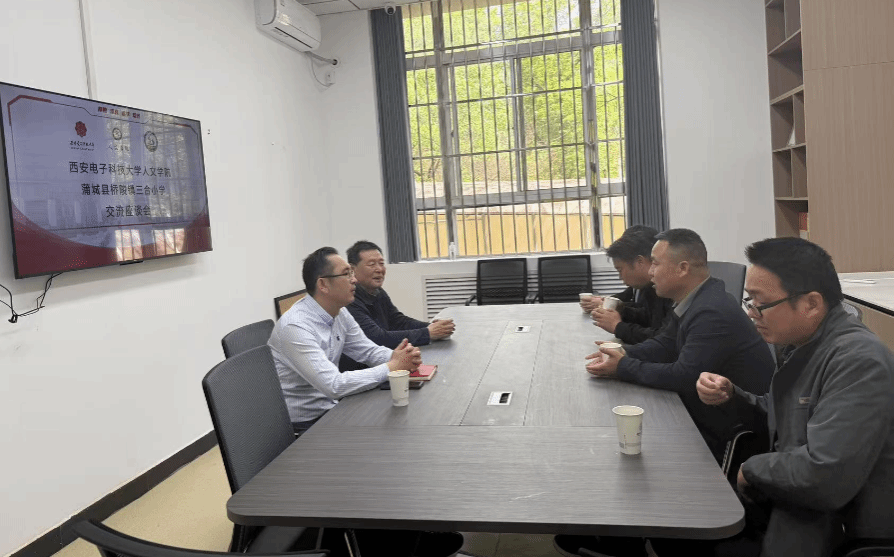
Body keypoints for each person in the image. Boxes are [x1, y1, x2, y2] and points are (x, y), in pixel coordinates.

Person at [692, 237, 894, 556]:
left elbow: (824, 475)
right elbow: (786, 418)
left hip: (832, 532)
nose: (752, 313)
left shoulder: (858, 361)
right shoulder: (802, 345)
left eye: (760, 303)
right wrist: (732, 396)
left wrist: (752, 469)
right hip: (792, 507)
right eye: (749, 301)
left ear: (811, 304)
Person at [585, 228, 775, 461]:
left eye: (655, 264)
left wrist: (622, 366)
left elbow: (684, 376)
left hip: (730, 434)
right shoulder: (694, 300)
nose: (650, 271)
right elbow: (664, 345)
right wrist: (619, 352)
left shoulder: (711, 311)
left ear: (682, 268)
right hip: (705, 416)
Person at [268, 247, 423, 433]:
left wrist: (400, 357)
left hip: (333, 408)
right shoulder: (295, 327)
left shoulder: (340, 312)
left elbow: (367, 351)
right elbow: (334, 385)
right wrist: (392, 366)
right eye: (346, 274)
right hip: (305, 425)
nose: (354, 279)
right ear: (323, 284)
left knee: (400, 422)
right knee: (389, 431)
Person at [340, 240, 454, 370]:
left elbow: (398, 321)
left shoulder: (378, 292)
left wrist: (432, 327)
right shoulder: (349, 301)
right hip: (360, 371)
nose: (379, 269)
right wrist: (428, 333)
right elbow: (377, 338)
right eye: (371, 264)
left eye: (381, 263)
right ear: (352, 269)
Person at [587, 226, 673, 344]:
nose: (651, 271)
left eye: (656, 263)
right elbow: (648, 318)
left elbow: (665, 341)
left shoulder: (670, 290)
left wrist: (618, 327)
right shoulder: (651, 286)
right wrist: (619, 310)